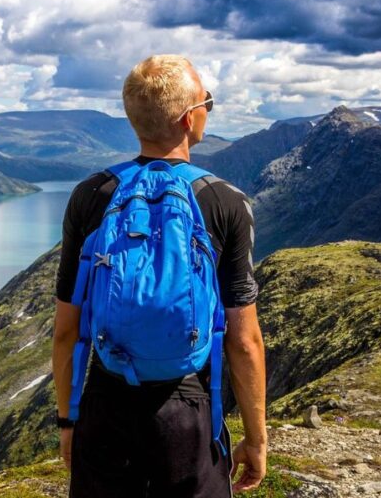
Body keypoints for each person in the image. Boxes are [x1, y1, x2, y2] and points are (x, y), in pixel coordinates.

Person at [51, 55, 267, 497]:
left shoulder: (92, 195)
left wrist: (69, 421)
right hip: (188, 408)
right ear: (190, 118)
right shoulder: (224, 201)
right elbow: (243, 339)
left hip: (107, 401)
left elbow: (67, 331)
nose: (209, 108)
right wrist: (256, 438)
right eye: (208, 100)